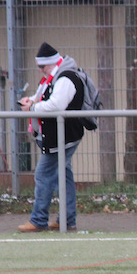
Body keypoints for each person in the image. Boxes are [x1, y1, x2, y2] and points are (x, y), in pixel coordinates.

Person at [17, 43, 87, 232]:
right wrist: (32, 100)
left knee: (43, 174)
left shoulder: (65, 78)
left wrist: (32, 107)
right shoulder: (55, 77)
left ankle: (39, 219)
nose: (40, 70)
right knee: (63, 176)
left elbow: (56, 105)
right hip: (60, 135)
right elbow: (48, 98)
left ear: (52, 63)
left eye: (42, 66)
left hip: (62, 136)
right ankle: (67, 220)